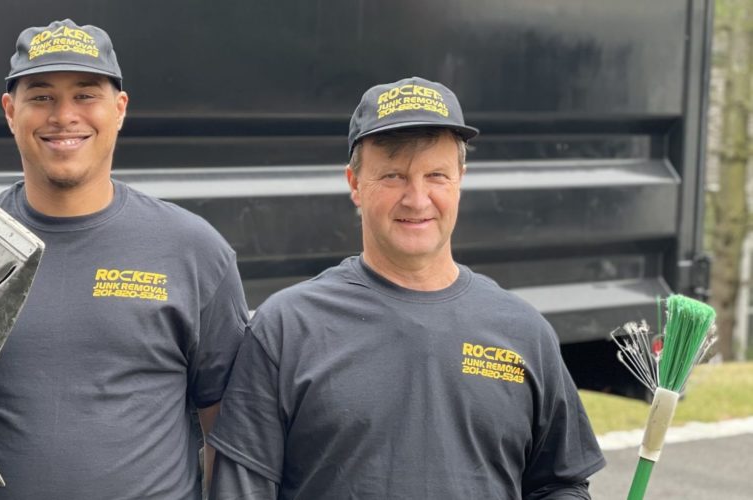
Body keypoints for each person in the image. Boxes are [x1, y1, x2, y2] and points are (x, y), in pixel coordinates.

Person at [0, 19, 249, 499]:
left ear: (119, 109)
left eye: (86, 95)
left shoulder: (192, 249)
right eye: (41, 96)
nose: (64, 115)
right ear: (10, 111)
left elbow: (229, 428)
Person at [208, 76, 606, 499]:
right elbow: (243, 489)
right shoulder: (288, 328)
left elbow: (559, 483)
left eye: (436, 175)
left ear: (460, 180)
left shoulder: (523, 331)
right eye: (393, 176)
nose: (417, 199)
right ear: (355, 184)